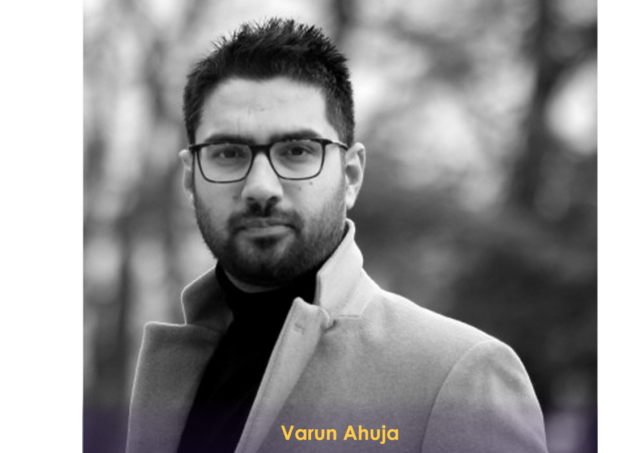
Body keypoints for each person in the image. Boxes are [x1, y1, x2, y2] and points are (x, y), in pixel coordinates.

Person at [126, 18, 548, 453]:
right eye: (229, 153)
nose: (260, 188)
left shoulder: (461, 376)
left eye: (297, 151)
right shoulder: (177, 372)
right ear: (191, 177)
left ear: (350, 176)